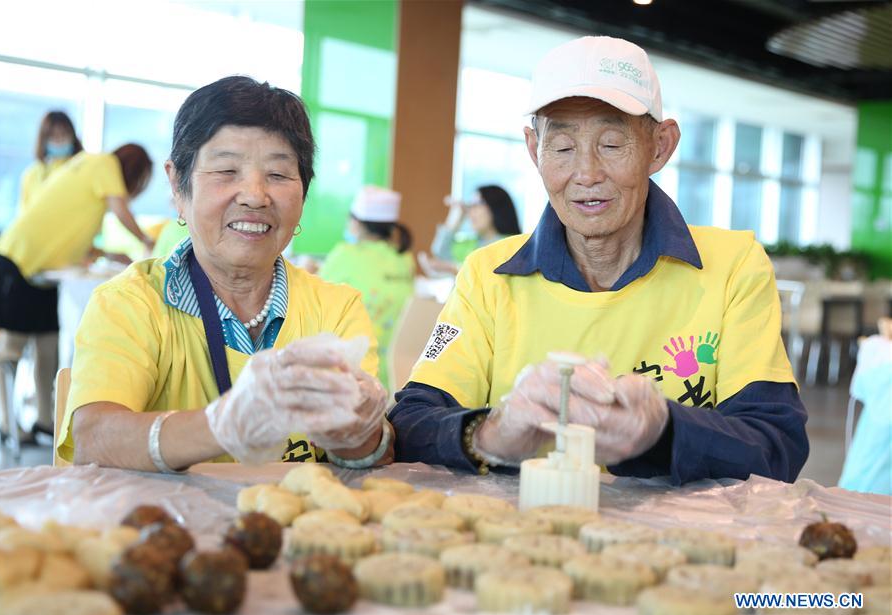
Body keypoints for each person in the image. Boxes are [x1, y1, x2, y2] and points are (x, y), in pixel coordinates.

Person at [388, 36, 809, 484]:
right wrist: (490, 433)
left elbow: (777, 445)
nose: (586, 174)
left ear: (660, 146)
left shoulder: (732, 265)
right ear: (534, 150)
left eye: (611, 144)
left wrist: (663, 431)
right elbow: (411, 421)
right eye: (564, 149)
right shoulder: (488, 275)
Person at [57, 76, 392, 472]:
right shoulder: (129, 302)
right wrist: (223, 424)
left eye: (279, 175)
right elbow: (95, 438)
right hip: (166, 529)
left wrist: (359, 434)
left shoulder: (337, 309)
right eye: (227, 170)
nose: (254, 195)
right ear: (177, 186)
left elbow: (376, 455)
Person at [0, 143, 154, 440]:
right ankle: (8, 425)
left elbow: (70, 228)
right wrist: (147, 241)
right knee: (11, 350)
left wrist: (107, 252)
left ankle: (44, 420)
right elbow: (121, 210)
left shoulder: (90, 173)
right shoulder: (103, 163)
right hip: (18, 260)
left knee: (48, 347)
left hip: (42, 273)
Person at [319, 186, 415, 388]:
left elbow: (316, 294)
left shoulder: (345, 254)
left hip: (355, 372)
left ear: (356, 223)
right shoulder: (405, 258)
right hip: (402, 374)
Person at [426, 185, 521, 274]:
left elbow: (489, 275)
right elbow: (440, 252)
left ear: (495, 207)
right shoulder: (474, 243)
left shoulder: (511, 244)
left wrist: (454, 268)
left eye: (477, 205)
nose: (471, 212)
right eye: (470, 206)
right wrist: (455, 218)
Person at [20, 111, 84, 211]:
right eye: (53, 136)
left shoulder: (82, 169)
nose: (59, 140)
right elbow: (24, 213)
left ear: (73, 137)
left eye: (64, 134)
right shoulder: (32, 174)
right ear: (44, 139)